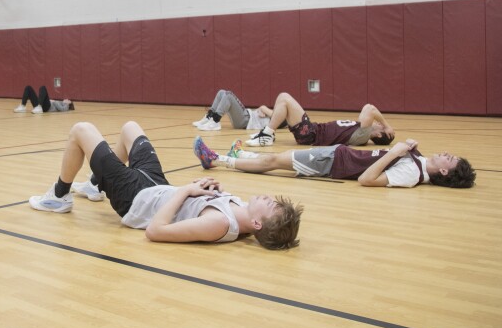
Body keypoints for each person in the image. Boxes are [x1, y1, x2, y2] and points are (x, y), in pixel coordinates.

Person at [29, 121, 302, 249]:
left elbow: (156, 231)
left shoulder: (218, 224)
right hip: (157, 186)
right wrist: (204, 187)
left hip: (134, 198)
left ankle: (59, 197)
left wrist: (186, 190)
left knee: (80, 130)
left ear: (257, 224)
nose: (268, 197)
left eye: (270, 205)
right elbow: (193, 203)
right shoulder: (240, 210)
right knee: (129, 128)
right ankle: (94, 184)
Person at [193, 136, 475, 189]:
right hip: (337, 155)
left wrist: (396, 152)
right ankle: (239, 155)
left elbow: (368, 180)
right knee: (276, 160)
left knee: (273, 160)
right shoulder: (419, 165)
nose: (446, 153)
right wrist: (409, 147)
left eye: (449, 158)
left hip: (333, 163)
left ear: (446, 171)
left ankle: (217, 160)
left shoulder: (411, 174)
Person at [245, 92, 394, 147]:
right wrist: (384, 127)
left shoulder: (363, 134)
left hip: (311, 133)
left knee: (284, 97)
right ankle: (268, 131)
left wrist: (387, 126)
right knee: (282, 99)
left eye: (381, 127)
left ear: (379, 134)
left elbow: (370, 108)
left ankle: (267, 134)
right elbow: (368, 110)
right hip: (311, 131)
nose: (379, 123)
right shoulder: (362, 130)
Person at [192, 89, 273, 131]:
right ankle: (209, 117)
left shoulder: (279, 117)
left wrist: (262, 108)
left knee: (229, 95)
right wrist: (261, 110)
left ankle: (215, 121)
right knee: (221, 92)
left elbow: (264, 109)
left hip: (246, 120)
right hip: (245, 118)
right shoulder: (275, 115)